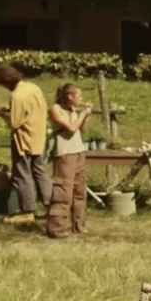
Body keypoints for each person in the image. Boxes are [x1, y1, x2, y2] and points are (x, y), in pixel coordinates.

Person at [0, 64, 53, 225]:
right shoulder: (33, 88)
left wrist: (3, 115)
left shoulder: (17, 96)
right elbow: (31, 109)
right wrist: (12, 109)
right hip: (38, 137)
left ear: (6, 81)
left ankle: (27, 211)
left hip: (24, 141)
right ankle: (52, 207)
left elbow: (14, 123)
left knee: (22, 175)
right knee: (40, 172)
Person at [46, 83, 93, 238]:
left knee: (80, 190)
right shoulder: (55, 110)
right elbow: (71, 128)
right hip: (65, 153)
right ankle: (58, 227)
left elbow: (81, 129)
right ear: (69, 96)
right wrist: (83, 114)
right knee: (64, 191)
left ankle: (78, 225)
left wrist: (86, 116)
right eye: (78, 96)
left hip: (78, 151)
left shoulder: (73, 110)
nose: (81, 98)